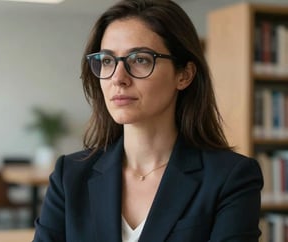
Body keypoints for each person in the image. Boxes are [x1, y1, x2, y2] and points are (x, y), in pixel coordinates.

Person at [33, 0, 263, 241]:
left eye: (140, 59)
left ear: (184, 75)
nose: (118, 79)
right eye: (108, 61)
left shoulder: (230, 178)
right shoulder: (69, 176)